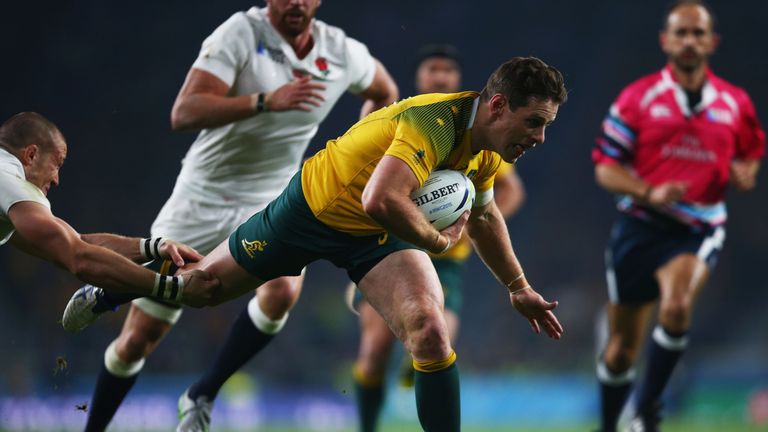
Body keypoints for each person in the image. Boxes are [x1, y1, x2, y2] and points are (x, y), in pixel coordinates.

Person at [160, 55, 566, 432]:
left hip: (378, 233)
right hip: (315, 211)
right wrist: (435, 241)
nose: (541, 137)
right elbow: (380, 198)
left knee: (428, 329)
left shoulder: (490, 150)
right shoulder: (434, 121)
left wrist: (519, 287)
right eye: (534, 122)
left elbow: (484, 216)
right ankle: (110, 294)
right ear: (497, 106)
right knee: (201, 288)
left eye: (545, 125)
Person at [61, 0, 399, 430]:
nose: (296, 2)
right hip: (205, 193)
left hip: (272, 196)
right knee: (138, 340)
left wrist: (355, 151)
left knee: (282, 294)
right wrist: (264, 102)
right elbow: (184, 112)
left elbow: (384, 93)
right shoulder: (241, 33)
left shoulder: (341, 52)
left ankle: (202, 393)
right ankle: (105, 314)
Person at [592, 2, 765, 431]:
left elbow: (750, 151)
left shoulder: (735, 103)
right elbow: (605, 168)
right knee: (619, 351)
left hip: (697, 228)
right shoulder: (637, 98)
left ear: (712, 42)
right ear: (665, 41)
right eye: (681, 33)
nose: (689, 40)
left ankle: (647, 413)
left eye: (698, 33)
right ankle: (611, 423)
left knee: (676, 306)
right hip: (639, 225)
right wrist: (649, 191)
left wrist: (747, 172)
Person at [349, 44, 526, 432]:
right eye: (433, 69)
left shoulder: (477, 132)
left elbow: (509, 192)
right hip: (390, 248)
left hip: (445, 258)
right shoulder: (407, 119)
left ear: (458, 79)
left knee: (437, 334)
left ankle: (416, 364)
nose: (441, 77)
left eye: (448, 70)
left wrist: (469, 218)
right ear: (419, 77)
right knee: (374, 349)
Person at [0, 112, 218, 305]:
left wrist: (153, 247)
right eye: (57, 163)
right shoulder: (11, 182)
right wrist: (174, 288)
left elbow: (78, 242)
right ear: (31, 155)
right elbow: (81, 259)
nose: (56, 179)